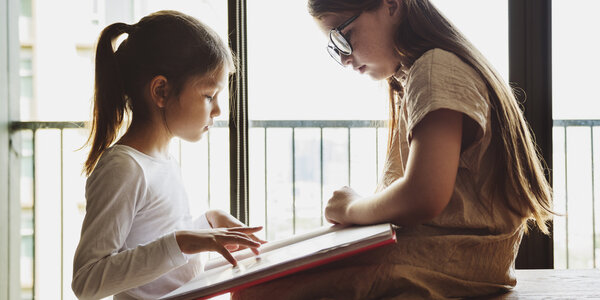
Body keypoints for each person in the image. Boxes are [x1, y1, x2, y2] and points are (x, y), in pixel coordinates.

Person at [233, 0, 553, 299]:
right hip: (460, 259)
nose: (343, 57)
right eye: (333, 47)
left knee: (253, 290)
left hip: (449, 262)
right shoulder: (429, 68)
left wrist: (350, 208)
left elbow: (423, 196)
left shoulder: (434, 68)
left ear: (392, 5)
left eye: (344, 35)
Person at [71, 10, 264, 300]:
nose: (218, 111)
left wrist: (207, 223)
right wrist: (182, 241)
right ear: (161, 91)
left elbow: (154, 246)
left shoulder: (162, 159)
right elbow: (87, 282)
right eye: (209, 95)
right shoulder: (124, 168)